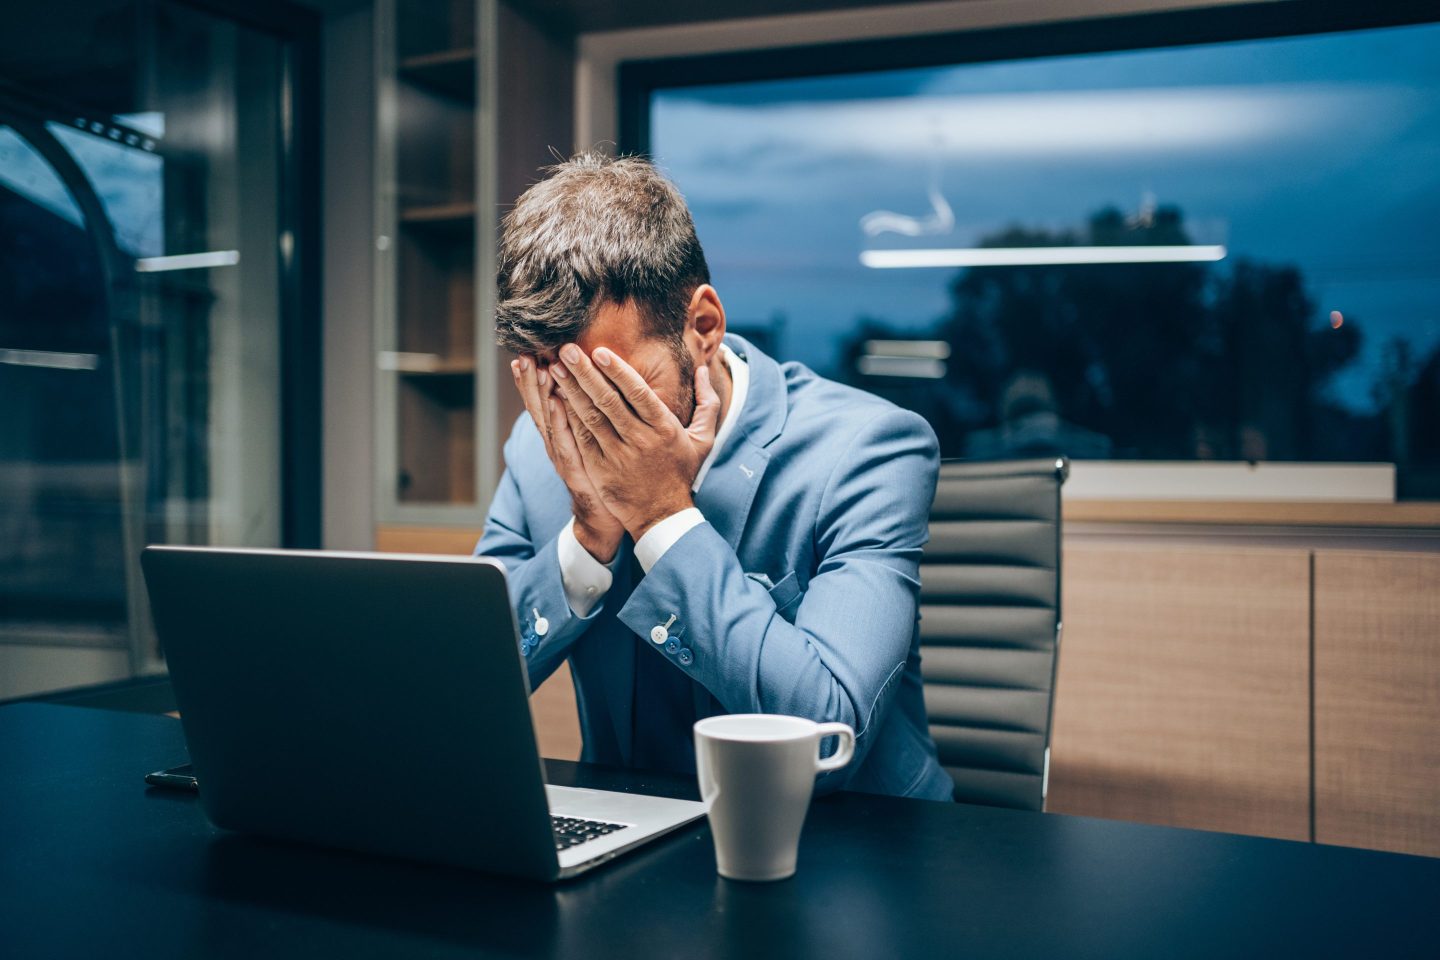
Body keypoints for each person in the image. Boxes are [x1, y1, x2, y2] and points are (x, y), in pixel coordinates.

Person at [475, 152, 953, 800]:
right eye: (560, 391)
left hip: (853, 847)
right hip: (636, 849)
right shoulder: (540, 448)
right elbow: (458, 684)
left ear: (702, 327)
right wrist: (586, 541)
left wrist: (662, 517)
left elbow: (829, 730)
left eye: (611, 389)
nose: (585, 427)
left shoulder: (869, 450)